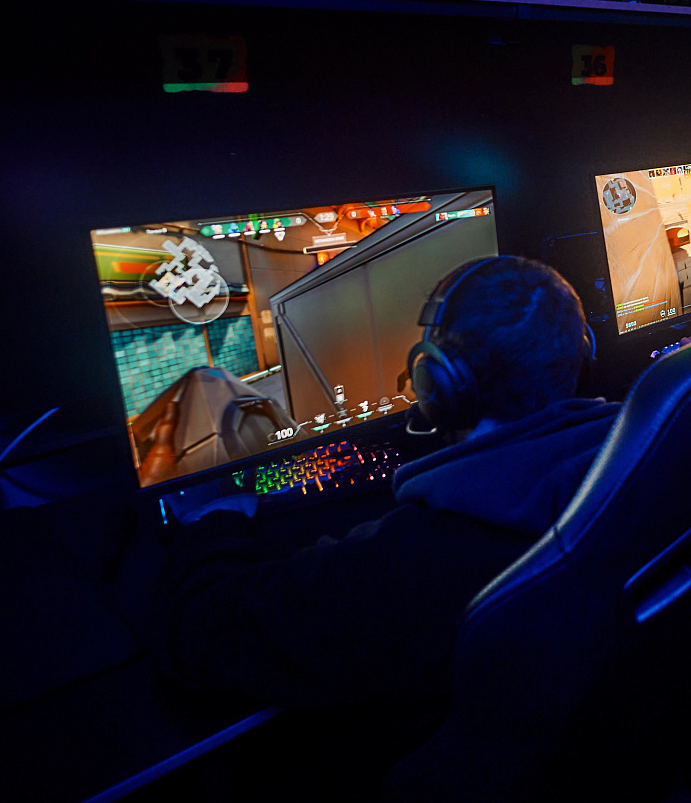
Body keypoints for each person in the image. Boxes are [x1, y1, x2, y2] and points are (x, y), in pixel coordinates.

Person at [153, 256, 618, 710]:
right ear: (582, 352)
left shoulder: (416, 561)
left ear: (438, 380)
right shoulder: (636, 450)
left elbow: (199, 634)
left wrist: (213, 519)